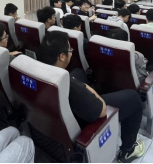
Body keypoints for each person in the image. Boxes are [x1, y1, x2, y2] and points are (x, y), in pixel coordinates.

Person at [38, 32, 144, 164]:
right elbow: (102, 110)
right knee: (133, 98)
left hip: (56, 116)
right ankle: (128, 150)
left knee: (78, 72)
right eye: (70, 50)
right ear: (62, 56)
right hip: (83, 121)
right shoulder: (71, 86)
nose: (71, 52)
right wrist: (84, 88)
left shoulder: (38, 71)